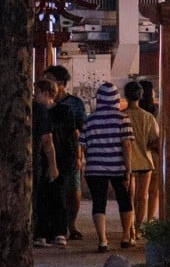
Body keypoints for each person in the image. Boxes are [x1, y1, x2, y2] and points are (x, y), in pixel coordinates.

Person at [79, 81, 135, 252]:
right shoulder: (122, 119)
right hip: (117, 167)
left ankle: (103, 240)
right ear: (116, 99)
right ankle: (126, 236)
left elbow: (82, 145)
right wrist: (128, 166)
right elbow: (126, 145)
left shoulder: (89, 120)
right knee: (124, 201)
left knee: (99, 203)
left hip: (95, 168)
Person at [42, 65, 87, 240]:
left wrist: (79, 154)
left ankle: (71, 224)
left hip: (69, 153)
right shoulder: (41, 102)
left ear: (60, 83)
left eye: (49, 79)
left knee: (73, 189)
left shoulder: (74, 104)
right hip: (48, 154)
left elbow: (80, 131)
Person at [123, 81, 160, 241]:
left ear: (125, 95)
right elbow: (155, 140)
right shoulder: (148, 117)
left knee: (128, 197)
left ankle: (129, 229)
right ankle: (138, 228)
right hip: (146, 161)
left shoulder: (122, 116)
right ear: (141, 96)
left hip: (127, 163)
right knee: (142, 196)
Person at [32, 80, 65, 248]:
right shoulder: (40, 110)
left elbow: (47, 140)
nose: (33, 94)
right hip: (39, 161)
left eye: (36, 91)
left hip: (40, 161)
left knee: (45, 197)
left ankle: (46, 232)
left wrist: (53, 165)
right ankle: (44, 232)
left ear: (45, 93)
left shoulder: (40, 110)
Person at [138, 78, 161, 220]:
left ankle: (137, 221)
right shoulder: (156, 111)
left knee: (139, 192)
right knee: (154, 191)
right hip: (155, 154)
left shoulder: (135, 111)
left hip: (138, 153)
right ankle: (151, 219)